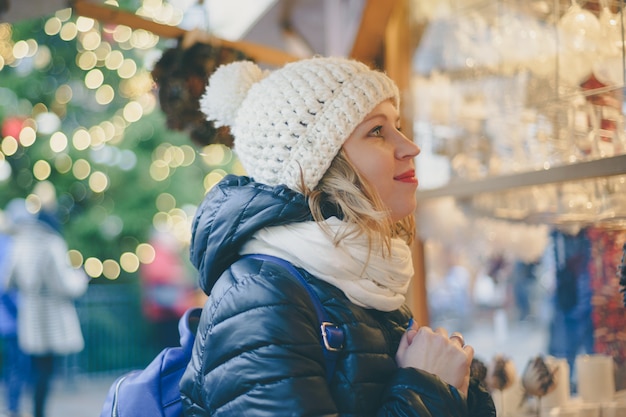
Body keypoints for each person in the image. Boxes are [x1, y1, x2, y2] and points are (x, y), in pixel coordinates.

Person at [179, 56, 495, 416]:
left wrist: (460, 387)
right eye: (377, 131)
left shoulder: (357, 277)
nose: (410, 146)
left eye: (399, 126)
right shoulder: (259, 297)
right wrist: (428, 386)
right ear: (319, 163)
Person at [5, 203, 88, 417]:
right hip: (51, 316)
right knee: (47, 371)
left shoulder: (20, 243)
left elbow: (8, 281)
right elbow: (64, 284)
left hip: (30, 314)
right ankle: (39, 413)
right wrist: (81, 278)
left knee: (34, 369)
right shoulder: (52, 244)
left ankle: (33, 411)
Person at [0, 201, 30, 417]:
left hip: (8, 317)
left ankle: (14, 407)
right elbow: (6, 286)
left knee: (15, 365)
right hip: (13, 318)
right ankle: (13, 408)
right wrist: (21, 311)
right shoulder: (10, 245)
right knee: (16, 367)